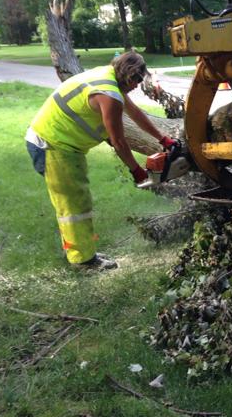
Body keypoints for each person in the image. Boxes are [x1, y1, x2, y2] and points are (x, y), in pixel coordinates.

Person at [25, 51, 176, 270]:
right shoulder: (109, 94)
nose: (136, 86)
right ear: (128, 74)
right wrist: (136, 171)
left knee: (75, 202)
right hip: (53, 145)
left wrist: (164, 139)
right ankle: (83, 261)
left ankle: (80, 252)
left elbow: (135, 112)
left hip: (56, 143)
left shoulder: (107, 76)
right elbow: (119, 142)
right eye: (136, 80)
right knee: (74, 207)